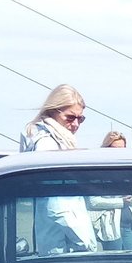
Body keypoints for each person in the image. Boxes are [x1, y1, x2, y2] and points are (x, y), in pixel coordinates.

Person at [20, 83, 98, 252]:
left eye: (81, 119)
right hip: (65, 246)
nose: (76, 124)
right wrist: (85, 242)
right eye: (70, 117)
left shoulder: (54, 140)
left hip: (56, 241)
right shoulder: (47, 144)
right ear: (52, 112)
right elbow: (56, 204)